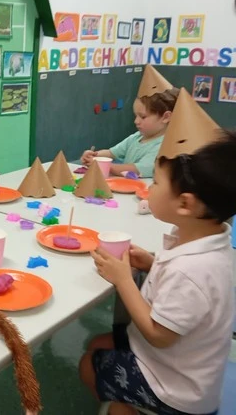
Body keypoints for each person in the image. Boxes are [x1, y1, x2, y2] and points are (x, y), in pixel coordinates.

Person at [79, 130, 236, 415]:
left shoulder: (193, 269)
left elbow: (158, 335)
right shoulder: (205, 240)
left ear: (185, 204)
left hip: (175, 388)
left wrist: (123, 279)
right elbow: (188, 293)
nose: (149, 188)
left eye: (156, 182)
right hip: (180, 361)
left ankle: (126, 407)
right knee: (97, 343)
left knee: (88, 364)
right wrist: (152, 264)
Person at [80, 88, 180, 178]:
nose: (136, 121)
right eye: (136, 116)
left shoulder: (164, 146)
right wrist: (94, 155)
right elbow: (111, 153)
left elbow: (135, 170)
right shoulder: (137, 137)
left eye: (143, 117)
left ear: (166, 117)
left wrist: (102, 164)